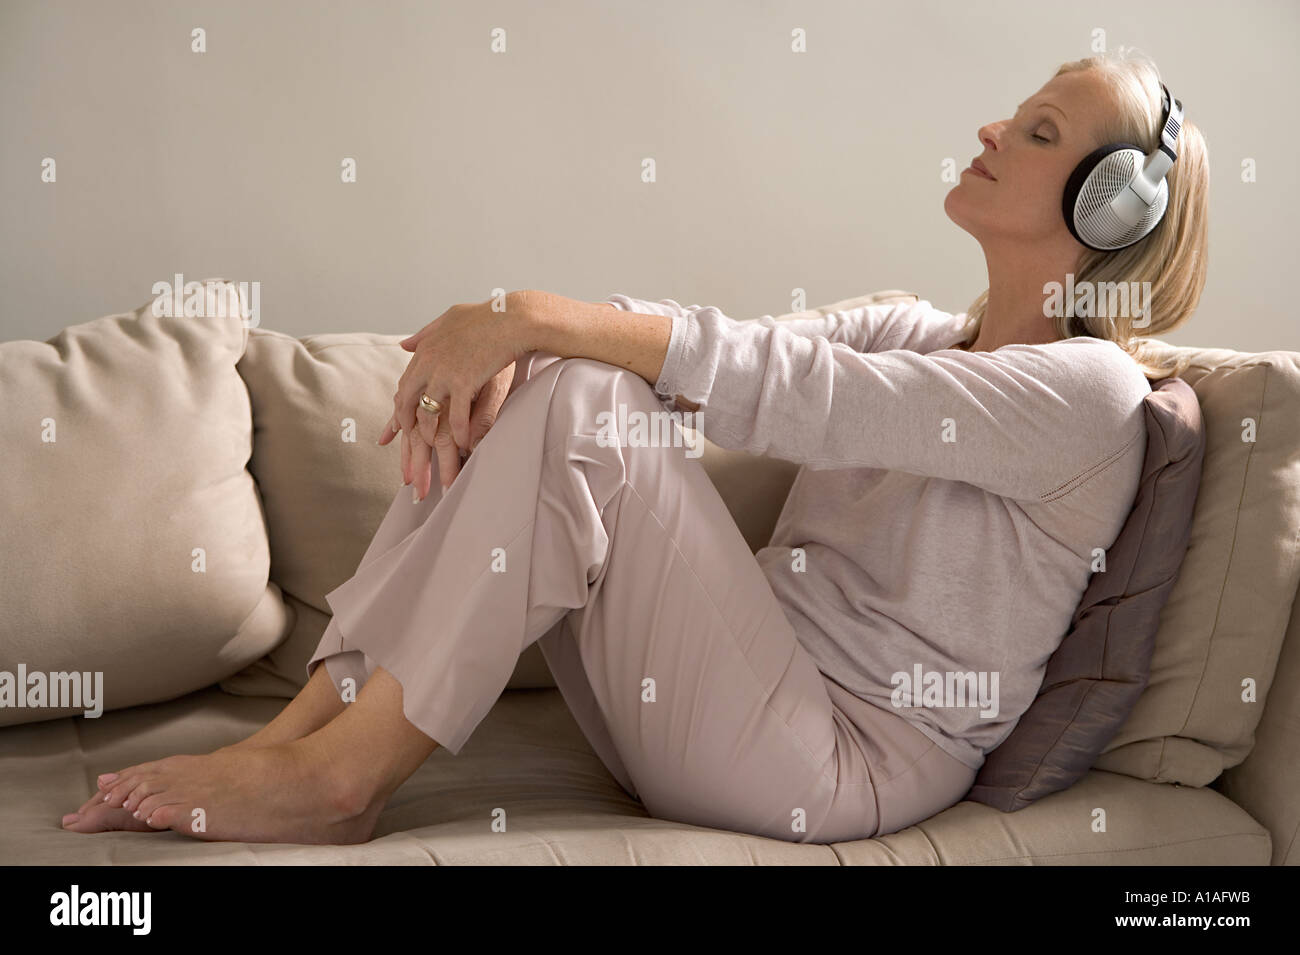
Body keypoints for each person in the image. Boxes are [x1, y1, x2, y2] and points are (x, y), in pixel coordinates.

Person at [61, 47, 1208, 845]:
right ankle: (301, 740)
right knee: (563, 382)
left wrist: (531, 315)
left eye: (1042, 131)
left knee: (579, 387)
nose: (993, 128)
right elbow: (724, 351)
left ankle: (339, 778)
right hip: (706, 712)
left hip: (835, 768)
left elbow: (801, 393)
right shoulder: (914, 327)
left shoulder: (1087, 395)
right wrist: (522, 343)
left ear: (1110, 211)